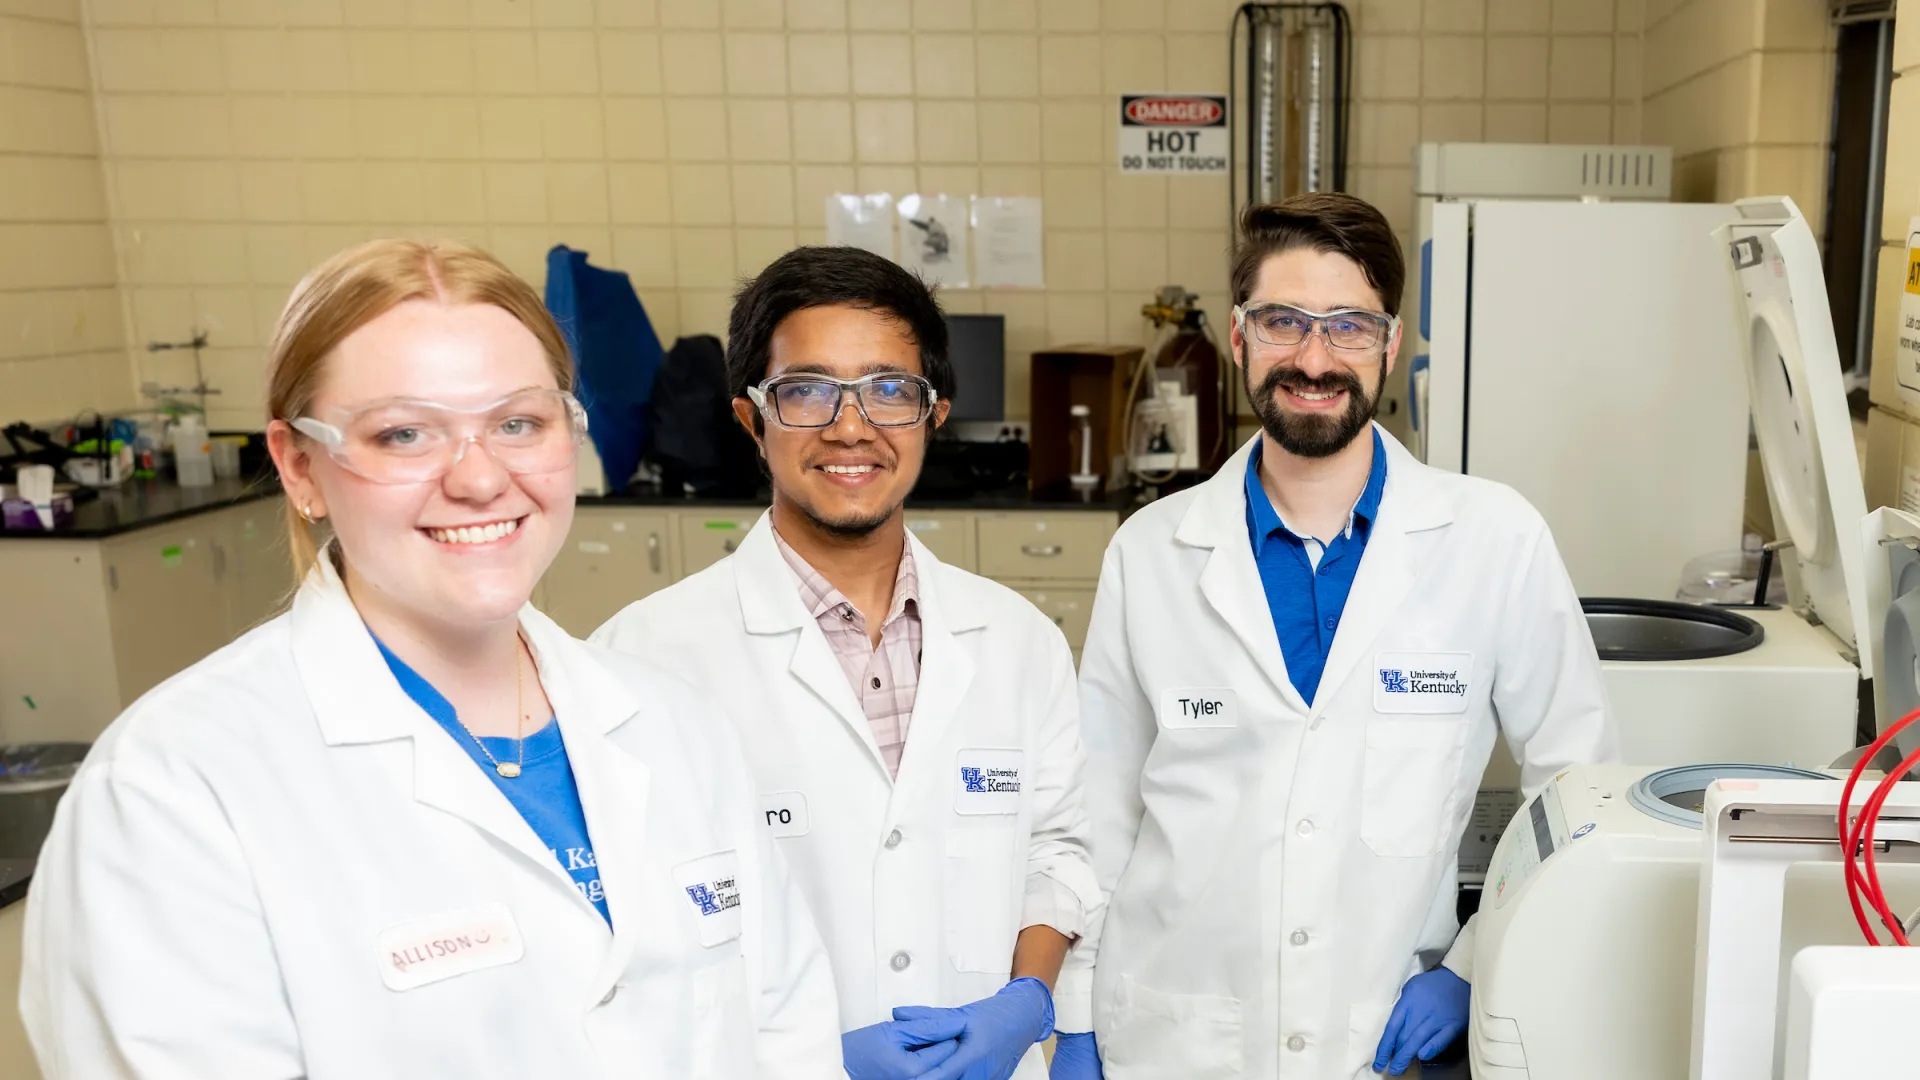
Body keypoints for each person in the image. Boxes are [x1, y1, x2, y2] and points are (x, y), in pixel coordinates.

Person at [21, 239, 844, 1078]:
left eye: (518, 423)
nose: (480, 479)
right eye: (405, 433)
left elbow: (787, 1031)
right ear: (300, 466)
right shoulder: (173, 791)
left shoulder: (677, 730)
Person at [1053, 193, 1619, 1079]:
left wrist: (1480, 959)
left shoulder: (1493, 539)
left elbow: (1578, 786)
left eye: (1349, 327)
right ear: (1239, 338)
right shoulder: (1152, 551)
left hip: (1381, 1025)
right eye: (1283, 321)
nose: (1314, 359)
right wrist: (1076, 1016)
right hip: (1172, 1030)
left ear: (1390, 345)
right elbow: (1101, 814)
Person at [594, 246, 1100, 1080]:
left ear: (934, 415)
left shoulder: (1016, 640)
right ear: (751, 418)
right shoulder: (640, 660)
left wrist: (1029, 1001)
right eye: (807, 390)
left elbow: (1057, 851)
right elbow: (635, 941)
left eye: (890, 389)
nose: (851, 426)